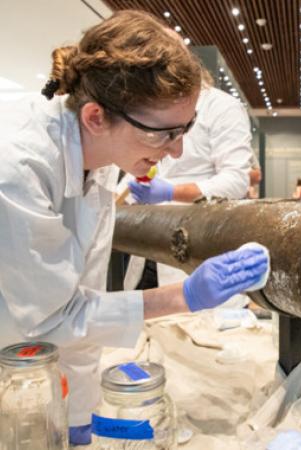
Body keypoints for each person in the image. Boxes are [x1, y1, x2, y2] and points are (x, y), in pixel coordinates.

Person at [0, 11, 268, 445]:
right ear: (95, 117)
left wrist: (77, 412)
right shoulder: (15, 167)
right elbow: (53, 318)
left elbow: (78, 301)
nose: (177, 151)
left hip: (43, 365)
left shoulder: (104, 154)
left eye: (186, 130)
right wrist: (183, 296)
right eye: (163, 134)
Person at [121, 74, 254, 289]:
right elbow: (146, 164)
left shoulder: (223, 107)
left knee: (192, 314)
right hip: (148, 246)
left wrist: (171, 192)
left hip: (197, 247)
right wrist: (121, 191)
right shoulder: (157, 104)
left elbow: (236, 182)